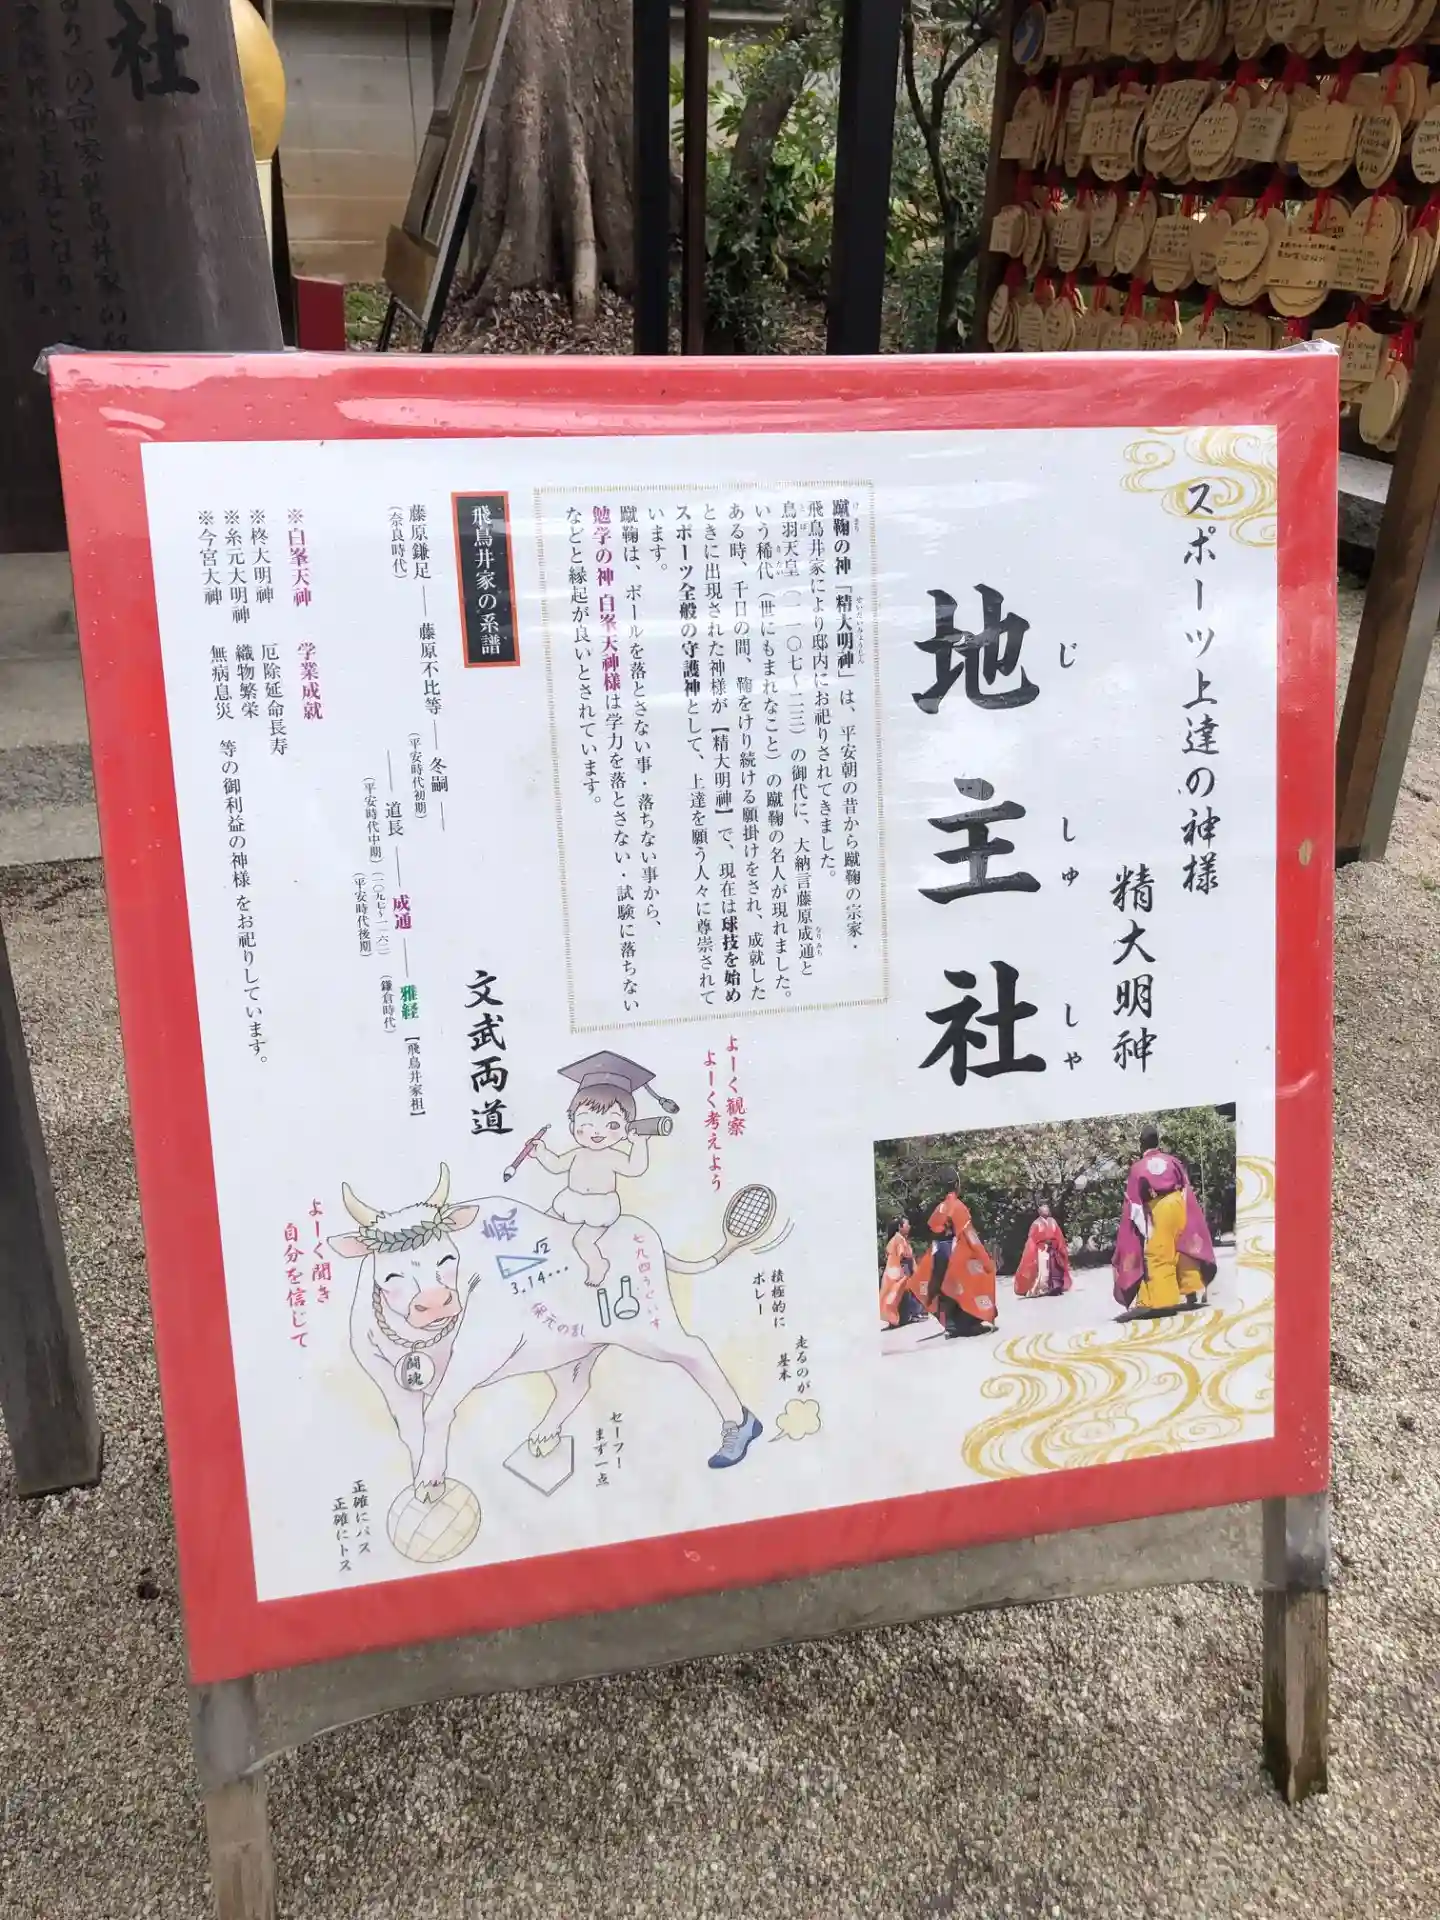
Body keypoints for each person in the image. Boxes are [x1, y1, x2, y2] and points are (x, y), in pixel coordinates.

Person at [1112, 1126, 1217, 1321]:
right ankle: (1191, 1292)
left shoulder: (1138, 1168)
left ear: (1141, 1144)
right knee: (1183, 1247)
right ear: (1157, 1141)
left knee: (1158, 1253)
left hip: (1158, 1209)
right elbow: (1186, 1186)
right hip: (1179, 1203)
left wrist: (1143, 1230)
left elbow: (1134, 1204)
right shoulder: (1172, 1161)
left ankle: (1164, 1301)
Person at [913, 1181, 997, 1338]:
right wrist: (983, 1257)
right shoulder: (958, 1206)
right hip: (954, 1249)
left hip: (939, 1249)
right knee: (966, 1284)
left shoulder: (940, 1207)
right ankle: (968, 1325)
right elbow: (967, 1233)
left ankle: (951, 1326)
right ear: (957, 1186)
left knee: (946, 1288)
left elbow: (933, 1228)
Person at [1015, 1201, 1072, 1298]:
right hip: (1041, 1248)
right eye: (1043, 1210)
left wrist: (1059, 1246)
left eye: (1047, 1210)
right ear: (1039, 1212)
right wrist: (1032, 1250)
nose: (1046, 1211)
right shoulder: (1036, 1223)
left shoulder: (1052, 1221)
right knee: (1043, 1270)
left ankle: (1054, 1287)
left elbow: (1059, 1235)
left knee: (1055, 1268)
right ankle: (1040, 1288)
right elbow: (1032, 1239)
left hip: (1053, 1247)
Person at [879, 1216, 918, 1329]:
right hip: (899, 1273)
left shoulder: (895, 1239)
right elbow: (904, 1258)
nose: (909, 1226)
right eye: (907, 1224)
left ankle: (898, 1319)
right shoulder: (899, 1240)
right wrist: (909, 1273)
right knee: (900, 1296)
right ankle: (903, 1318)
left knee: (895, 1297)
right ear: (900, 1227)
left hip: (893, 1273)